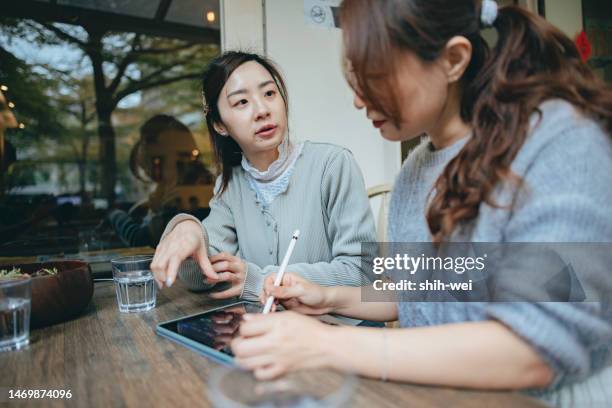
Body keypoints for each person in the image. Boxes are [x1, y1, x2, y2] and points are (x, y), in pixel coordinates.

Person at [229, 0, 612, 403]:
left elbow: (533, 348)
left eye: (375, 76)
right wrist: (328, 296)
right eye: (355, 79)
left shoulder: (558, 143)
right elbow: (420, 285)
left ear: (453, 60)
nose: (360, 99)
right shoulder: (417, 170)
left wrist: (324, 344)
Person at [150, 52, 377, 301]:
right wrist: (189, 228)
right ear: (219, 125)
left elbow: (363, 272)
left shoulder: (333, 165)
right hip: (269, 329)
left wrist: (262, 279)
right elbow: (200, 279)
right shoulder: (231, 186)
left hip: (337, 328)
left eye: (269, 93)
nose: (262, 110)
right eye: (241, 102)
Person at [108, 114, 212, 247]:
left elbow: (141, 239)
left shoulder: (185, 195)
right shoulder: (181, 185)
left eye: (156, 162)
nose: (151, 172)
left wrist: (114, 214)